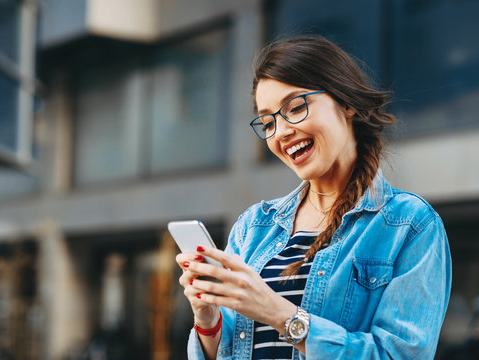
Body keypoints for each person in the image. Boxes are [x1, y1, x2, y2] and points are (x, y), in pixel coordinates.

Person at [175, 35, 452, 360]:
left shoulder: (410, 226)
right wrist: (207, 321)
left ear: (346, 102)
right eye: (267, 122)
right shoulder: (254, 225)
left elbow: (399, 356)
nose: (280, 132)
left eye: (295, 107)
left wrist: (281, 315)